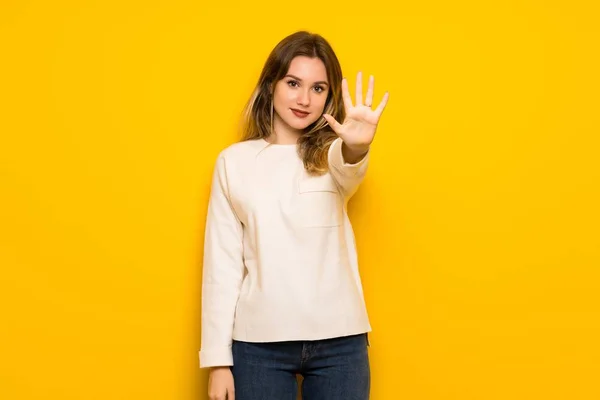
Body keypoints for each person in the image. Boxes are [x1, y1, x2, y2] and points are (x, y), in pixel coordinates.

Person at [199, 30, 389, 400]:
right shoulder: (233, 162)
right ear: (271, 84)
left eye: (318, 88)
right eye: (293, 83)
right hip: (259, 346)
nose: (304, 99)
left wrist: (357, 146)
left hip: (340, 342)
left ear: (329, 97)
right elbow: (221, 268)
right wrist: (218, 361)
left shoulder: (334, 155)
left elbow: (349, 167)